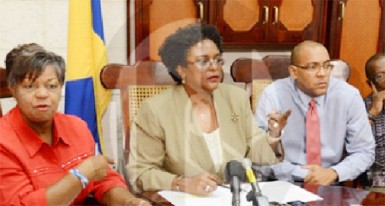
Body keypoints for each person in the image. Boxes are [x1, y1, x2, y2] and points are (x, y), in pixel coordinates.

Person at [127, 23, 289, 195]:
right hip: (184, 199)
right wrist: (183, 183)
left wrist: (273, 135)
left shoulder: (236, 98)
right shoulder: (155, 110)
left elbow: (256, 153)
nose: (214, 67)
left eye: (217, 59)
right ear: (181, 70)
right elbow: (140, 173)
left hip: (233, 196)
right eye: (203, 61)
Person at [0, 44, 150, 206]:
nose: (42, 94)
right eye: (29, 86)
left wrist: (129, 202)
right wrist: (81, 175)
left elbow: (104, 181)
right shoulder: (4, 142)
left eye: (51, 86)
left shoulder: (76, 127)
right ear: (13, 90)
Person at [255, 40, 375, 186]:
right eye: (313, 67)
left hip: (331, 181)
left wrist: (334, 173)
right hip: (284, 182)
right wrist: (305, 174)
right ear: (294, 72)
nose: (322, 74)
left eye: (327, 66)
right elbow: (257, 156)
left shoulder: (349, 96)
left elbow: (364, 151)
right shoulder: (273, 95)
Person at [364, 53, 385, 193]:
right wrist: (374, 112)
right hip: (381, 180)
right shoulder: (362, 109)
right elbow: (350, 150)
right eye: (381, 76)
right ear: (370, 83)